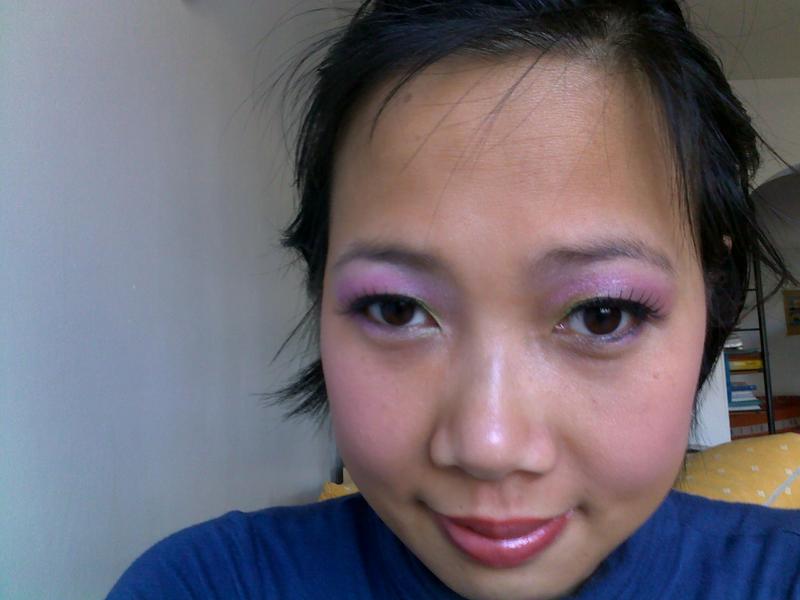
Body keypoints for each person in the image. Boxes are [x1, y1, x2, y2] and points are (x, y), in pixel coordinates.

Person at [107, 1, 800, 598]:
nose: (488, 445)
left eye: (601, 314)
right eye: (397, 309)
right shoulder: (206, 585)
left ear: (713, 296)